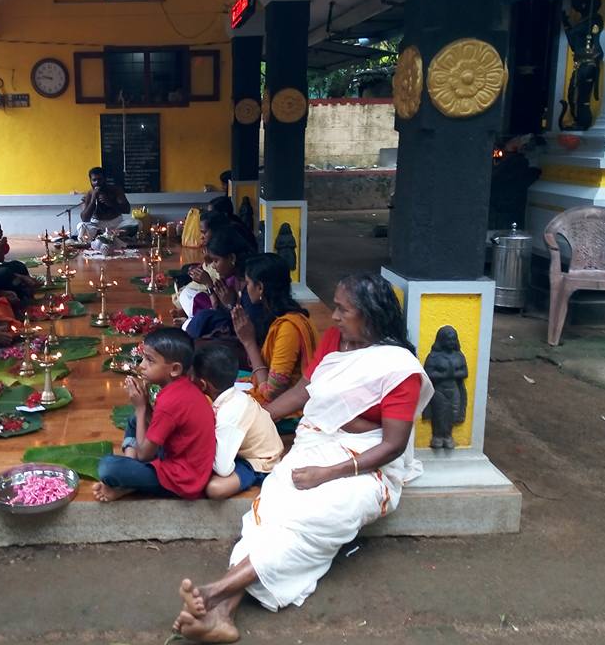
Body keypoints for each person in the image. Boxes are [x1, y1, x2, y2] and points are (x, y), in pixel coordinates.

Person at [172, 274, 433, 643]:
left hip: (367, 465)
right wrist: (261, 417)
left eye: (344, 310)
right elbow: (305, 391)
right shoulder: (335, 340)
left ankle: (214, 592)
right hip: (316, 444)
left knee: (316, 515)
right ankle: (222, 616)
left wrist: (328, 474)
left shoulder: (397, 368)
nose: (335, 316)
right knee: (273, 513)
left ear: (371, 315)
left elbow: (392, 445)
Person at [94, 328, 215, 502]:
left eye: (150, 361)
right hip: (175, 457)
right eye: (143, 358)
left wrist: (141, 408)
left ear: (174, 369)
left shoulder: (171, 402)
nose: (141, 365)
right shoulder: (181, 386)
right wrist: (143, 411)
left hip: (183, 481)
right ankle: (131, 475)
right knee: (135, 421)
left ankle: (129, 482)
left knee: (108, 467)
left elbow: (145, 455)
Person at [193, 346, 283, 500]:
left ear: (202, 384)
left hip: (259, 462)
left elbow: (223, 469)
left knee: (215, 488)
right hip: (241, 453)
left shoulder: (230, 412)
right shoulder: (232, 398)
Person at [231, 253, 318, 405]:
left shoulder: (288, 329)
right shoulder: (276, 315)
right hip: (273, 391)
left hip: (289, 410)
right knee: (223, 375)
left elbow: (271, 393)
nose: (246, 288)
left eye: (248, 283)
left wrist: (249, 343)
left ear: (260, 288)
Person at [77, 167, 132, 240]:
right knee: (81, 226)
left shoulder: (115, 190)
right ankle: (106, 236)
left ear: (105, 179)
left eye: (100, 179)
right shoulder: (89, 194)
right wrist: (93, 200)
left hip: (115, 224)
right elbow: (84, 218)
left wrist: (110, 203)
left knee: (136, 223)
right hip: (97, 225)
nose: (97, 182)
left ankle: (105, 237)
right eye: (94, 180)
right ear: (90, 181)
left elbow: (127, 210)